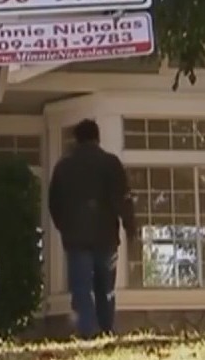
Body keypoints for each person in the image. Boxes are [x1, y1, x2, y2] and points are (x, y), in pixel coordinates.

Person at [48, 118, 137, 338]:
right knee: (105, 287)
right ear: (97, 137)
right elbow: (122, 198)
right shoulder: (110, 163)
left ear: (76, 139)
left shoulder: (64, 167)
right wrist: (130, 226)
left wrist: (65, 227)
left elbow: (54, 204)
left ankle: (87, 330)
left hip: (76, 239)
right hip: (105, 237)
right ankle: (106, 328)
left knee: (81, 287)